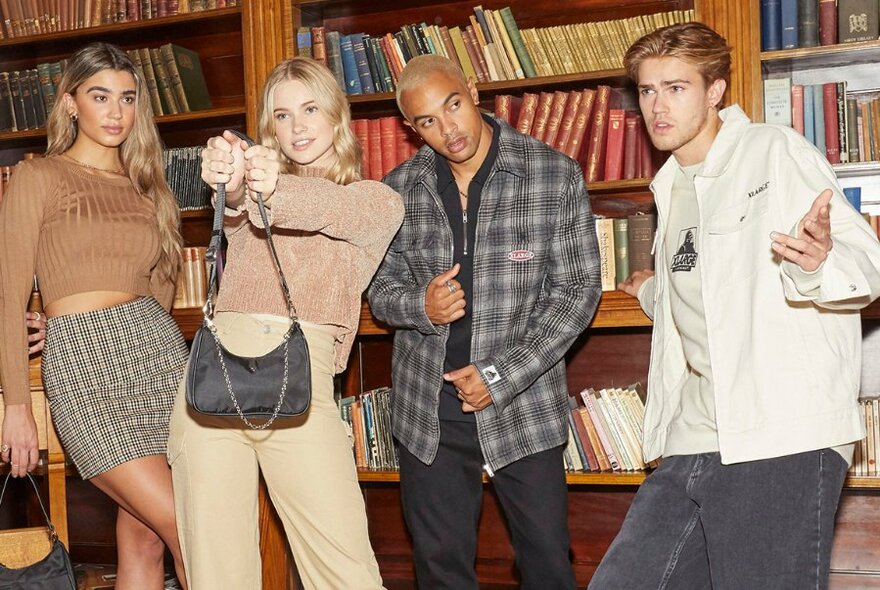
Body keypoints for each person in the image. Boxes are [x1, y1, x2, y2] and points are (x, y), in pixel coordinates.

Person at [589, 22, 880, 589]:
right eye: (647, 91)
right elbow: (704, 285)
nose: (657, 106)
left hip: (779, 434)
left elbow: (867, 263)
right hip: (693, 434)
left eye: (676, 88)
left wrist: (819, 263)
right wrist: (649, 290)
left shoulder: (773, 151)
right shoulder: (671, 185)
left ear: (716, 90)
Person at [367, 54, 602, 590]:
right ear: (411, 128)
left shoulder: (552, 172)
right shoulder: (396, 190)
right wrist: (420, 307)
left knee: (547, 564)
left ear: (472, 91)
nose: (447, 130)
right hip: (429, 411)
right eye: (426, 121)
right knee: (440, 569)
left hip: (523, 403)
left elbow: (576, 294)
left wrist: (500, 376)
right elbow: (381, 292)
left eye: (452, 106)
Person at [171, 56, 403, 589]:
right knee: (217, 574)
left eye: (310, 108)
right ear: (267, 128)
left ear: (337, 117)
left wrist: (268, 185)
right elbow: (233, 210)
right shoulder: (251, 198)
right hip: (212, 388)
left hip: (300, 395)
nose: (297, 127)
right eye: (281, 115)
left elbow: (322, 209)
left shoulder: (376, 202)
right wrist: (230, 183)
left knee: (346, 571)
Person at [0, 43, 188, 589]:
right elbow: (9, 293)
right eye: (99, 96)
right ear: (70, 104)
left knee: (147, 540)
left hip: (158, 358)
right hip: (86, 362)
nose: (114, 112)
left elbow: (161, 294)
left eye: (127, 99)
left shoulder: (150, 190)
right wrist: (16, 406)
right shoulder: (39, 176)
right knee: (190, 524)